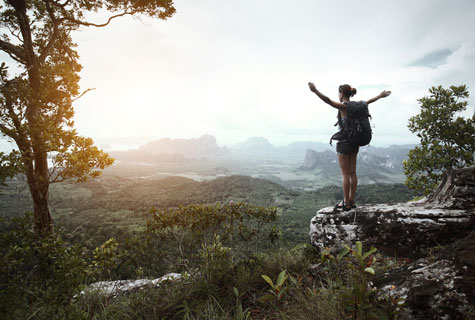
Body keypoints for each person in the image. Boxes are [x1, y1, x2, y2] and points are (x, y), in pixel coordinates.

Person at [308, 82, 391, 211]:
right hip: (355, 142)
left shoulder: (343, 107)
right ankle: (351, 200)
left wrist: (315, 91)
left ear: (341, 93)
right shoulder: (358, 106)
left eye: (338, 93)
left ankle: (345, 202)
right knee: (353, 173)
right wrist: (380, 95)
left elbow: (328, 100)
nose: (338, 95)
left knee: (345, 174)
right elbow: (368, 101)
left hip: (343, 144)